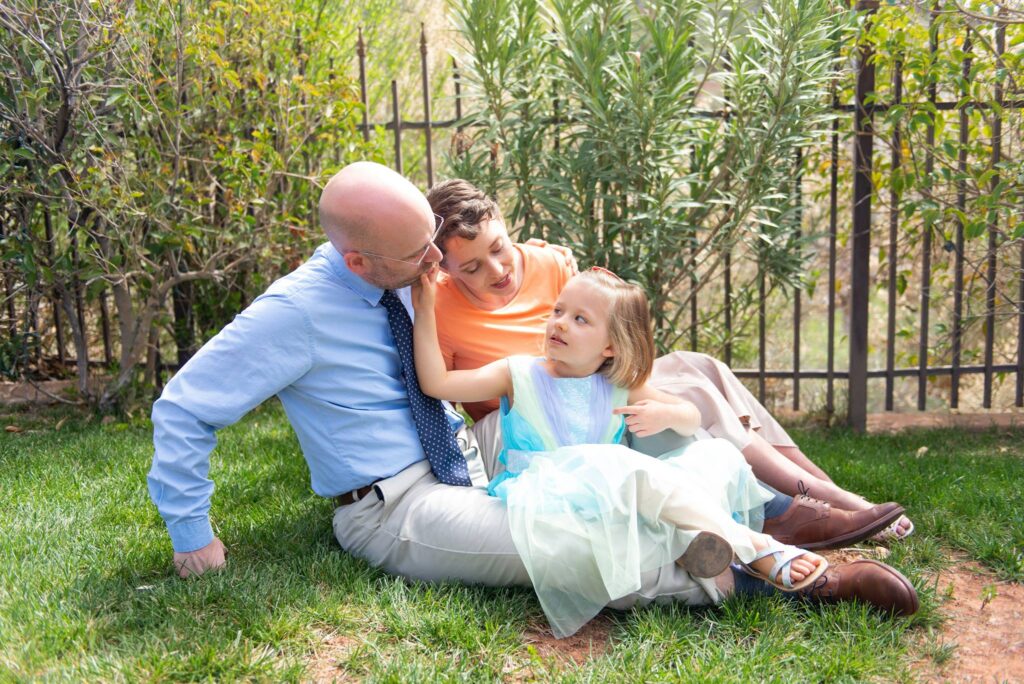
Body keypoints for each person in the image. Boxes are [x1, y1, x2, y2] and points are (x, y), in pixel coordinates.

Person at [147, 161, 918, 624]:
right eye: (422, 257)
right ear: (358, 261)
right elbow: (183, 406)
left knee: (619, 458)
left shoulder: (406, 268)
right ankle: (787, 576)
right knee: (579, 542)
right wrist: (191, 535)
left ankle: (772, 519)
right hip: (397, 505)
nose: (437, 269)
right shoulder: (294, 314)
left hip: (472, 458)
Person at [425, 179, 914, 544]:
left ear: (505, 224)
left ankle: (824, 494)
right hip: (527, 416)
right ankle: (810, 506)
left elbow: (600, 326)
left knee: (701, 368)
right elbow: (453, 389)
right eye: (472, 267)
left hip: (593, 382)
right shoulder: (441, 307)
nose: (498, 269)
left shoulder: (548, 262)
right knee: (695, 390)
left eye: (499, 248)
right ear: (444, 268)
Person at [413, 266, 835, 636]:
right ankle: (753, 547)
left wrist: (667, 415)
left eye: (580, 319)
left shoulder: (617, 386)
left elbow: (692, 416)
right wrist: (425, 306)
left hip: (615, 496)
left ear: (610, 346)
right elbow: (437, 383)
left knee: (714, 456)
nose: (560, 324)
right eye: (558, 311)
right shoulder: (517, 374)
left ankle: (689, 541)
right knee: (622, 464)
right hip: (548, 496)